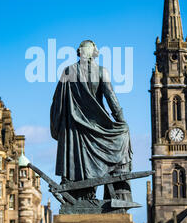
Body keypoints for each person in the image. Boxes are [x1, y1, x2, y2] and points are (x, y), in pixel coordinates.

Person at [50, 40, 132, 201]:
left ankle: (83, 190)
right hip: (96, 126)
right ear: (94, 54)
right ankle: (119, 189)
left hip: (74, 130)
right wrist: (121, 121)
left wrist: (57, 127)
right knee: (124, 133)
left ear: (79, 52)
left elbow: (57, 104)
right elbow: (111, 98)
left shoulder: (68, 71)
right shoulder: (102, 71)